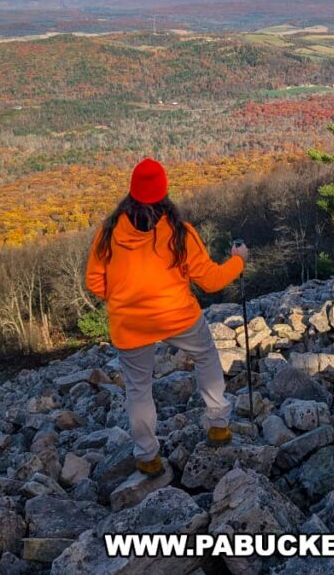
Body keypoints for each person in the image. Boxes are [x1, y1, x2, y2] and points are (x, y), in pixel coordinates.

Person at [85, 157, 248, 478]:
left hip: (129, 325)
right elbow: (212, 281)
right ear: (164, 192)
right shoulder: (179, 232)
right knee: (205, 355)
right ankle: (218, 425)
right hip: (177, 316)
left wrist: (123, 296)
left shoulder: (108, 234)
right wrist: (238, 262)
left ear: (131, 193)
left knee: (138, 389)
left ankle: (147, 456)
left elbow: (94, 282)